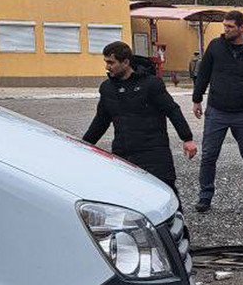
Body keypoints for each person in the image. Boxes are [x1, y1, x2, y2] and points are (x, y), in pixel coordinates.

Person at [83, 41, 197, 197]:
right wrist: (84, 145)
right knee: (128, 198)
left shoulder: (151, 84)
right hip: (123, 153)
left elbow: (172, 110)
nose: (107, 67)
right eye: (106, 62)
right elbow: (101, 121)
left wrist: (187, 138)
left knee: (165, 194)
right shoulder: (107, 88)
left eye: (111, 62)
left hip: (154, 153)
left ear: (126, 62)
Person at [191, 10, 243, 213]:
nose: (226, 30)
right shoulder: (215, 46)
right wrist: (197, 99)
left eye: (230, 27)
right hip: (216, 111)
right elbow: (203, 74)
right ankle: (205, 197)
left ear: (242, 27)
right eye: (225, 26)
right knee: (209, 156)